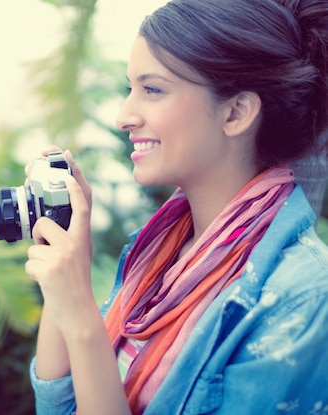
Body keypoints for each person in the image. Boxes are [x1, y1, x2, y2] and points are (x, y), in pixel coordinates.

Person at [24, 0, 328, 414]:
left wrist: (80, 313)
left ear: (236, 112)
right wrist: (65, 273)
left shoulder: (304, 298)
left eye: (152, 89)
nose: (124, 115)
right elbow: (60, 407)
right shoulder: (158, 252)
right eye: (130, 88)